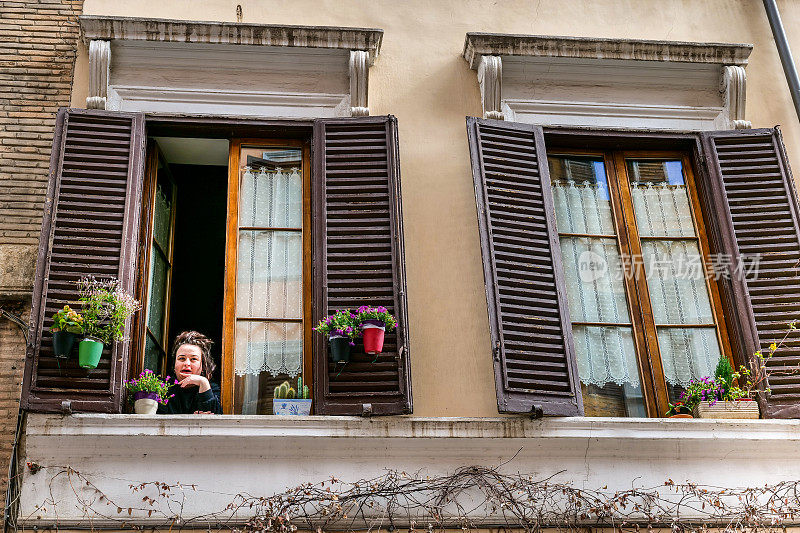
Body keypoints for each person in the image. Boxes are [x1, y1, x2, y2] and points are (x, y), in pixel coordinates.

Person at [158, 331, 223, 414]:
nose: (187, 364)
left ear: (203, 366)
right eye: (181, 358)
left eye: (193, 359)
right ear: (175, 365)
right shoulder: (162, 387)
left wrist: (203, 382)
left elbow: (214, 421)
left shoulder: (211, 389)